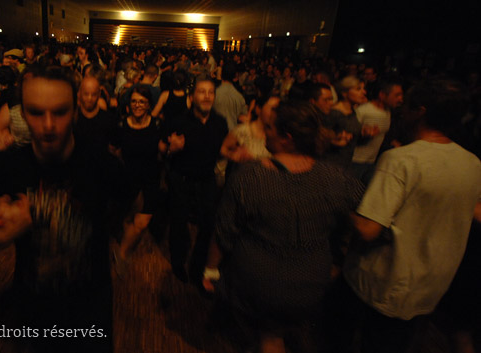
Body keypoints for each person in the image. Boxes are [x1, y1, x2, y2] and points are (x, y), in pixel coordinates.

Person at [0, 65, 129, 353]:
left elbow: (134, 202)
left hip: (90, 309)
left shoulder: (100, 163)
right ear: (21, 113)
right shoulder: (7, 165)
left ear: (75, 111)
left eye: (59, 112)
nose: (47, 125)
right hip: (33, 307)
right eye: (35, 112)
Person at [204, 100, 364, 353]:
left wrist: (211, 269)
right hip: (312, 282)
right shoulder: (337, 178)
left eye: (270, 128)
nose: (265, 133)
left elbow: (224, 231)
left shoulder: (251, 177)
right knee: (277, 333)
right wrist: (338, 260)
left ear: (286, 138)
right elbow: (363, 218)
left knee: (268, 336)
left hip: (261, 281)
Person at [335, 78, 481, 353]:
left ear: (420, 111)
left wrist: (342, 205)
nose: (401, 109)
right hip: (431, 283)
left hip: (383, 282)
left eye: (407, 105)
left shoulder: (401, 160)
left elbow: (368, 229)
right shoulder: (472, 163)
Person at [160, 74, 228, 284]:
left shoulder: (220, 123)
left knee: (208, 225)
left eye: (211, 92)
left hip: (206, 180)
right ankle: (178, 263)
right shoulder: (178, 121)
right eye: (202, 92)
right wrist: (171, 149)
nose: (207, 96)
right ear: (192, 96)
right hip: (181, 180)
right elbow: (161, 147)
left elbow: (221, 151)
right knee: (179, 225)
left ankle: (198, 266)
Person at [109, 86, 162, 271]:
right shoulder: (121, 126)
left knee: (143, 221)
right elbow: (113, 149)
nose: (137, 105)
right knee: (128, 216)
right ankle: (123, 239)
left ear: (148, 105)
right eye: (134, 101)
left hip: (150, 179)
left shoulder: (157, 125)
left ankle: (122, 253)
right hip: (128, 179)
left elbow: (163, 150)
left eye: (142, 102)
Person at [351, 78, 404, 183]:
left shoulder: (388, 112)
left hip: (372, 162)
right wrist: (363, 135)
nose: (401, 99)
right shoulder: (363, 111)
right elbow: (349, 134)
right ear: (382, 95)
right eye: (397, 95)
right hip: (355, 161)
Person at [220, 94, 280, 163]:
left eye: (278, 109)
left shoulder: (276, 137)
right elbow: (223, 149)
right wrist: (233, 156)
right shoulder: (242, 130)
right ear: (258, 109)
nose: (276, 113)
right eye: (273, 108)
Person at [214, 61, 248, 131]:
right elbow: (244, 119)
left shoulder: (214, 94)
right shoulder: (239, 97)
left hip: (215, 132)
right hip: (232, 132)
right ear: (236, 76)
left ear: (221, 74)